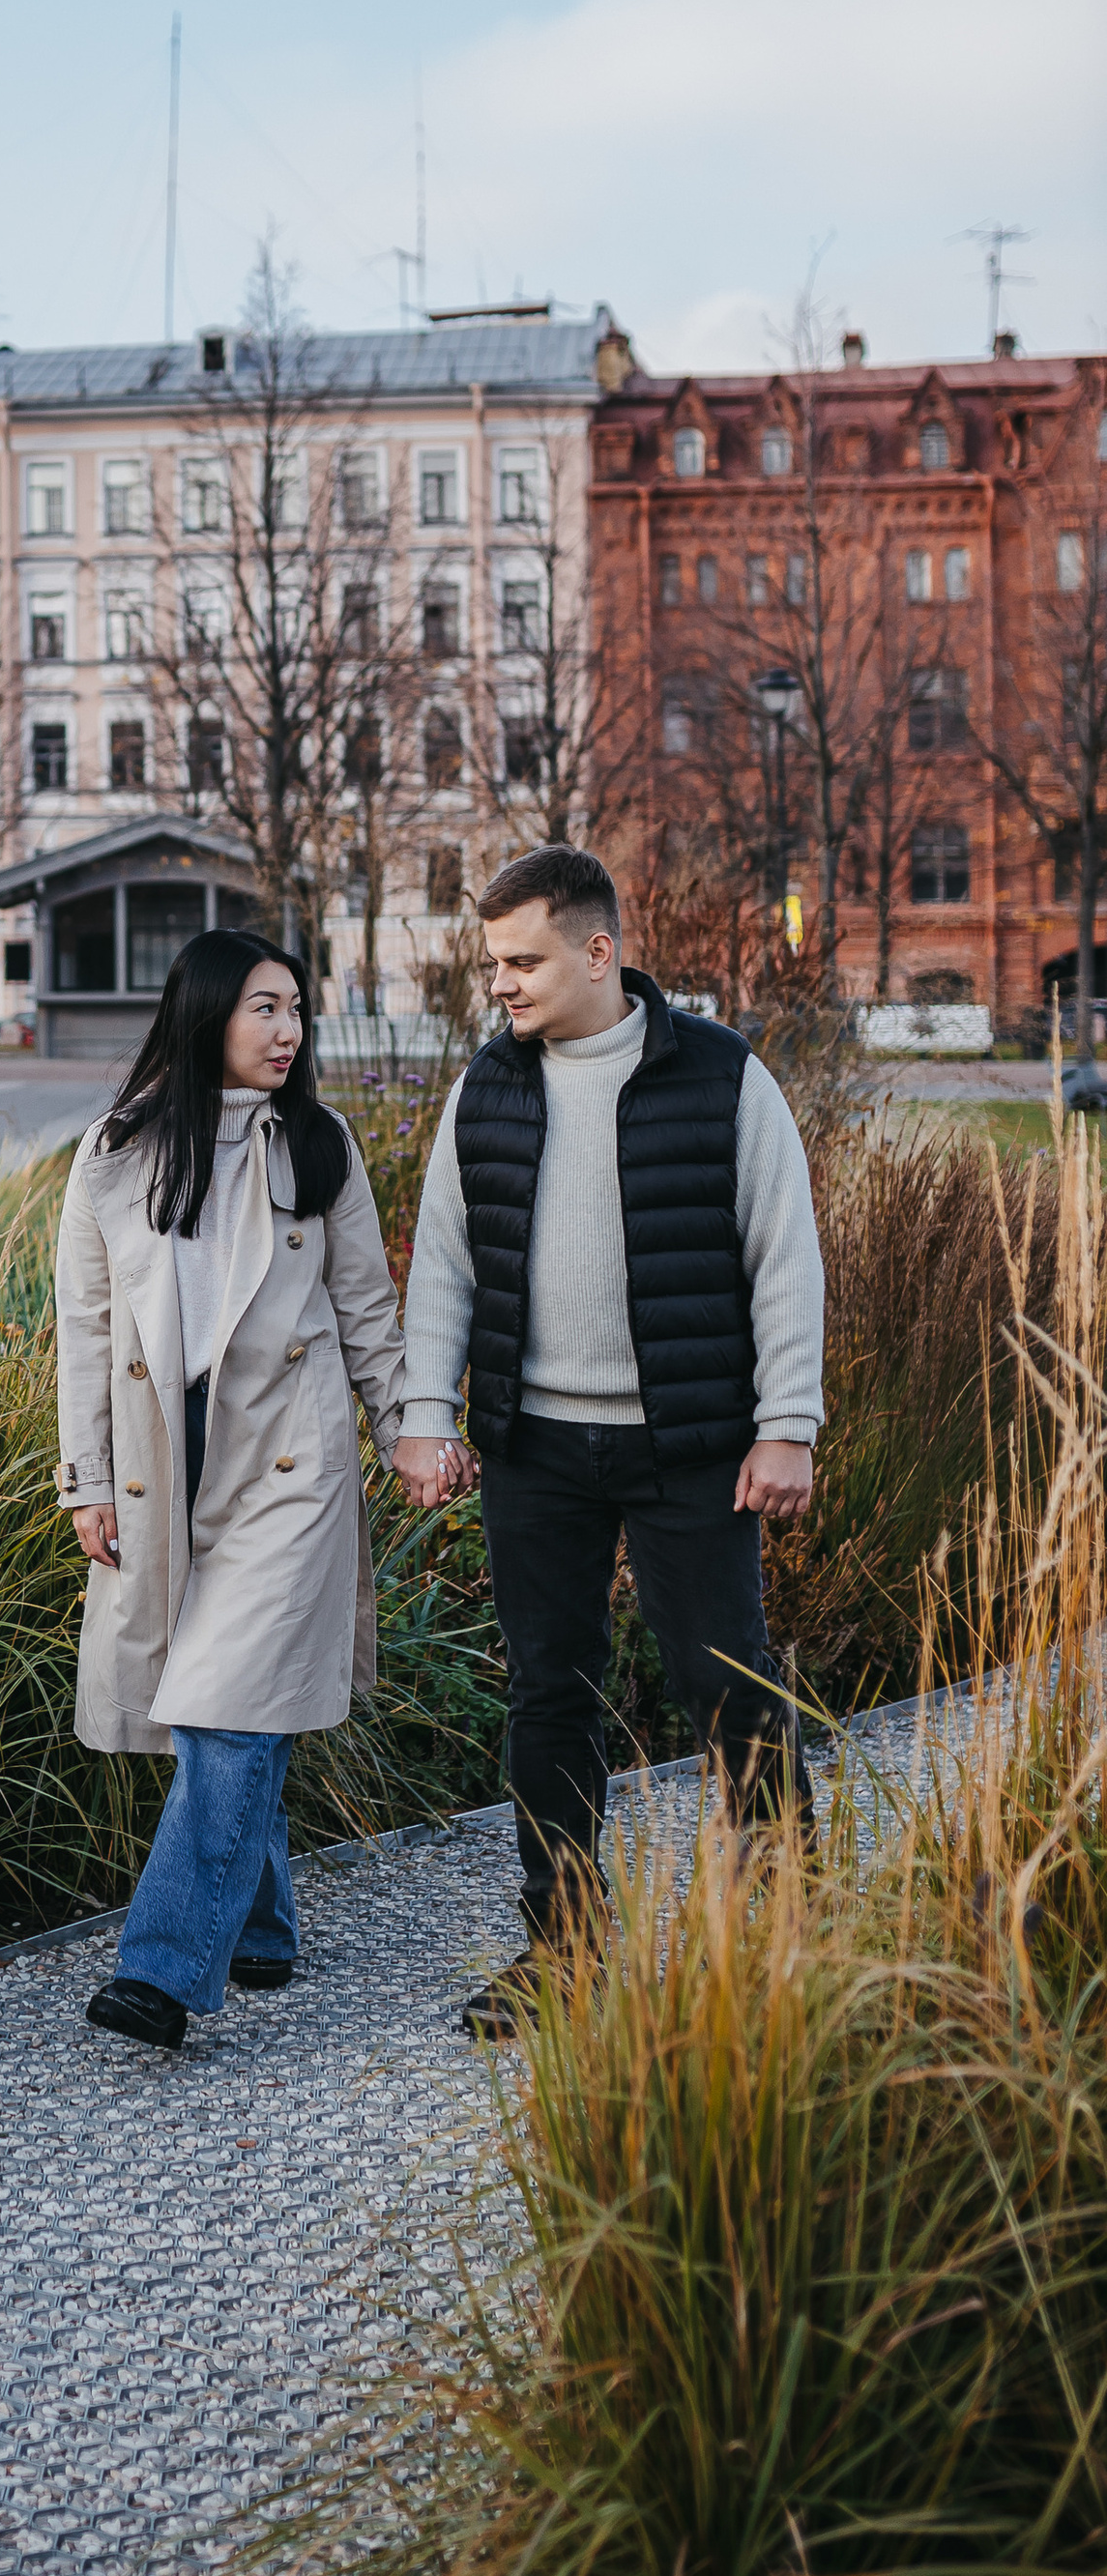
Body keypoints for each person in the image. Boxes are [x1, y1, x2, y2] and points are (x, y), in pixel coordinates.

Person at [394, 844, 826, 2038]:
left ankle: (785, 1939)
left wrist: (786, 1426)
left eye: (523, 960)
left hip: (690, 1447)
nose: (504, 984)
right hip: (534, 1449)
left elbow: (781, 1258)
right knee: (549, 1699)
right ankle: (564, 1952)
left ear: (599, 951)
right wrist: (426, 1415)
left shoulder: (720, 1076)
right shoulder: (489, 1084)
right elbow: (445, 1262)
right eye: (493, 964)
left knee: (726, 1687)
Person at [56, 928, 408, 2052]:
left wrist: (408, 1431)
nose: (288, 1030)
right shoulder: (115, 1150)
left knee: (218, 1701)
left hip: (288, 1459)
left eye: (296, 1009)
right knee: (227, 1697)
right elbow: (86, 1329)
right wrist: (87, 1479)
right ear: (206, 1012)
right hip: (168, 1456)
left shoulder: (318, 1143)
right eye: (264, 1007)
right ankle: (259, 1925)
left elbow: (364, 1310)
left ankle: (160, 1972)